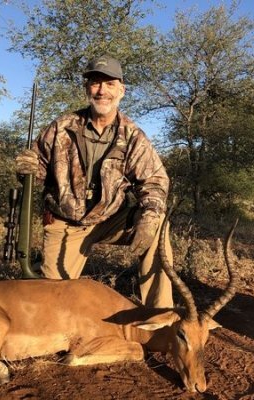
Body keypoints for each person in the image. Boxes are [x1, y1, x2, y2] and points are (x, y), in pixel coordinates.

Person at [15, 55, 173, 308]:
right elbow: (37, 170)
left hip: (110, 219)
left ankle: (160, 314)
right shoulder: (61, 127)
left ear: (121, 90)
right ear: (86, 88)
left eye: (109, 84)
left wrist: (149, 216)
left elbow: (153, 181)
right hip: (66, 223)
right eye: (96, 83)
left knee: (158, 224)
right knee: (51, 302)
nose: (102, 91)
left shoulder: (132, 135)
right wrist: (28, 167)